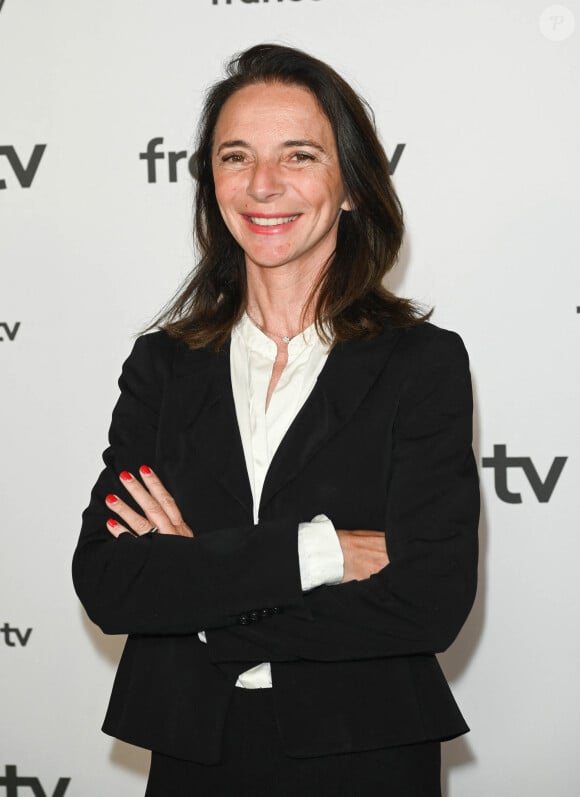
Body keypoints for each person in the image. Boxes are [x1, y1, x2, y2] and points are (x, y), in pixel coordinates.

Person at [73, 43, 479, 796]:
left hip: (369, 754)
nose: (263, 186)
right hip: (195, 755)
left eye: (298, 155)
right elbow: (109, 580)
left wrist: (202, 594)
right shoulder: (164, 367)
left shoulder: (420, 364)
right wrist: (319, 552)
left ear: (351, 184)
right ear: (212, 183)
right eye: (235, 157)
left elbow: (429, 601)